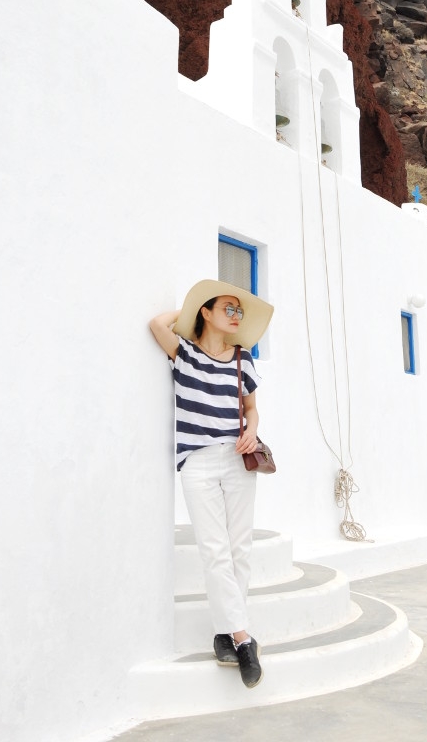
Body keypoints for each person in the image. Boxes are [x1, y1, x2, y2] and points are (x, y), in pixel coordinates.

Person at [149, 279, 274, 689]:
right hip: (198, 463)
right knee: (215, 550)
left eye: (240, 311)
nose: (236, 315)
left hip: (237, 460)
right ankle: (243, 640)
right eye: (228, 307)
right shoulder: (183, 352)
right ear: (206, 311)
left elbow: (251, 409)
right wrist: (187, 313)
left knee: (240, 549)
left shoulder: (243, 357)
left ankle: (226, 631)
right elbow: (157, 323)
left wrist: (252, 432)